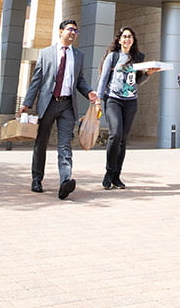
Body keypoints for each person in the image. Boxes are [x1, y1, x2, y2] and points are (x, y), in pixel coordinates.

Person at [21, 19, 99, 199]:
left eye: (76, 31)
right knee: (41, 142)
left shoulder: (78, 55)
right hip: (48, 104)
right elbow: (36, 80)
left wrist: (89, 92)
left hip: (67, 105)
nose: (73, 33)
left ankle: (65, 181)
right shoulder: (46, 53)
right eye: (70, 30)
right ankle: (37, 179)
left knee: (65, 144)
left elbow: (79, 80)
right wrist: (27, 103)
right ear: (60, 31)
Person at [95, 26, 159, 189]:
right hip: (113, 100)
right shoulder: (113, 56)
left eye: (130, 37)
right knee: (115, 134)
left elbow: (136, 82)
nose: (127, 39)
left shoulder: (138, 58)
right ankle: (108, 173)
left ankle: (117, 176)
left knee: (123, 139)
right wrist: (98, 101)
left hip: (130, 102)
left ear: (133, 40)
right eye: (124, 36)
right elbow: (103, 80)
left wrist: (148, 74)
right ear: (119, 39)